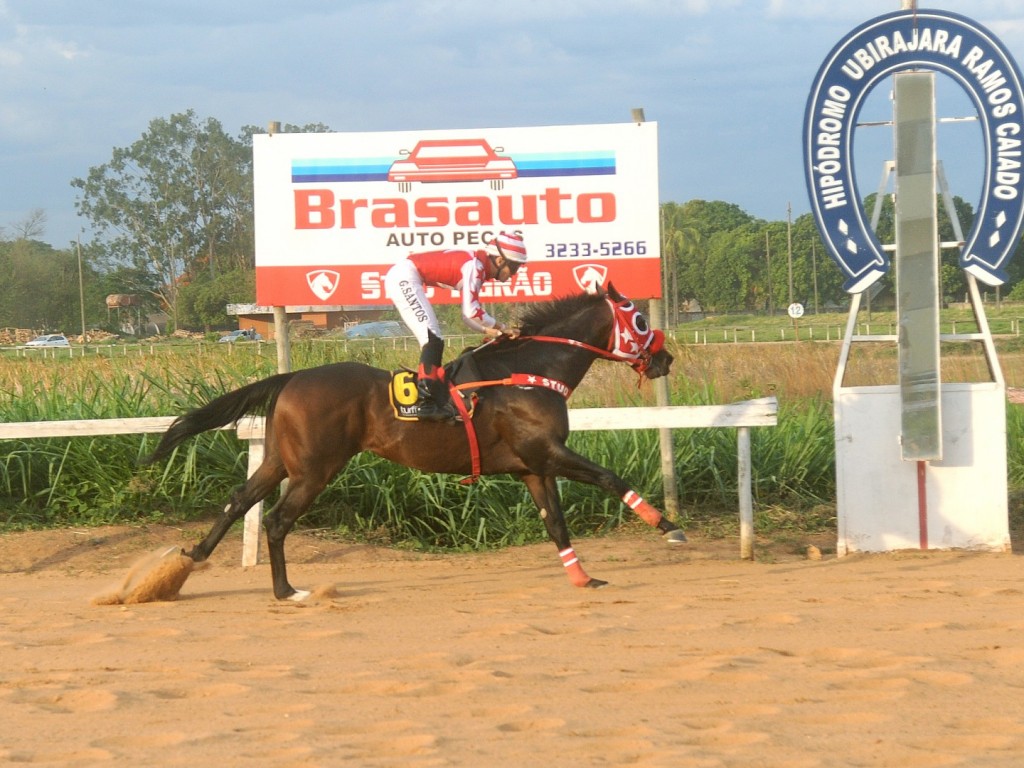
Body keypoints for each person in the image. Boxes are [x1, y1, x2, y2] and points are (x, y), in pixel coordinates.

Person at [384, 231, 527, 421]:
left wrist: (492, 330)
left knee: (434, 339)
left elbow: (469, 318)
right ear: (500, 260)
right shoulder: (474, 267)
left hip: (405, 275)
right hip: (404, 278)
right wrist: (502, 327)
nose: (514, 275)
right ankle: (426, 403)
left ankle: (429, 395)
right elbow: (471, 312)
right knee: (432, 339)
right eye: (515, 267)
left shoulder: (477, 265)